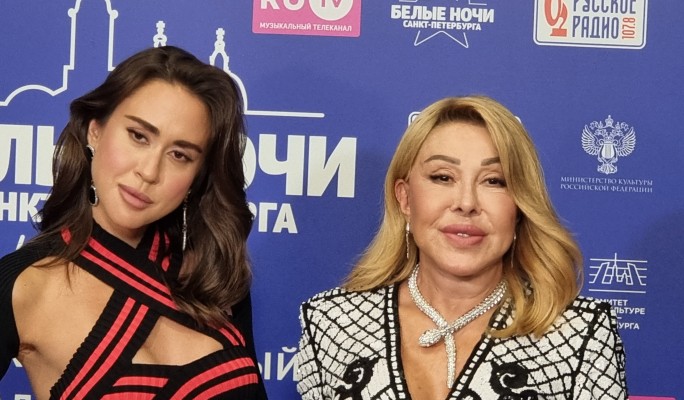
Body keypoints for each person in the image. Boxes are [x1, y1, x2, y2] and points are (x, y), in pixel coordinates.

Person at [296, 96, 627, 399]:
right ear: (405, 199)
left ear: (520, 207)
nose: (466, 203)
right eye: (443, 177)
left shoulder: (580, 333)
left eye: (494, 180)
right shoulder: (331, 322)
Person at [0, 46, 268, 399]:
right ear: (95, 131)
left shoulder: (211, 277)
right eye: (139, 136)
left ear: (197, 175)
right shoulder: (26, 284)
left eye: (179, 155)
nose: (149, 171)